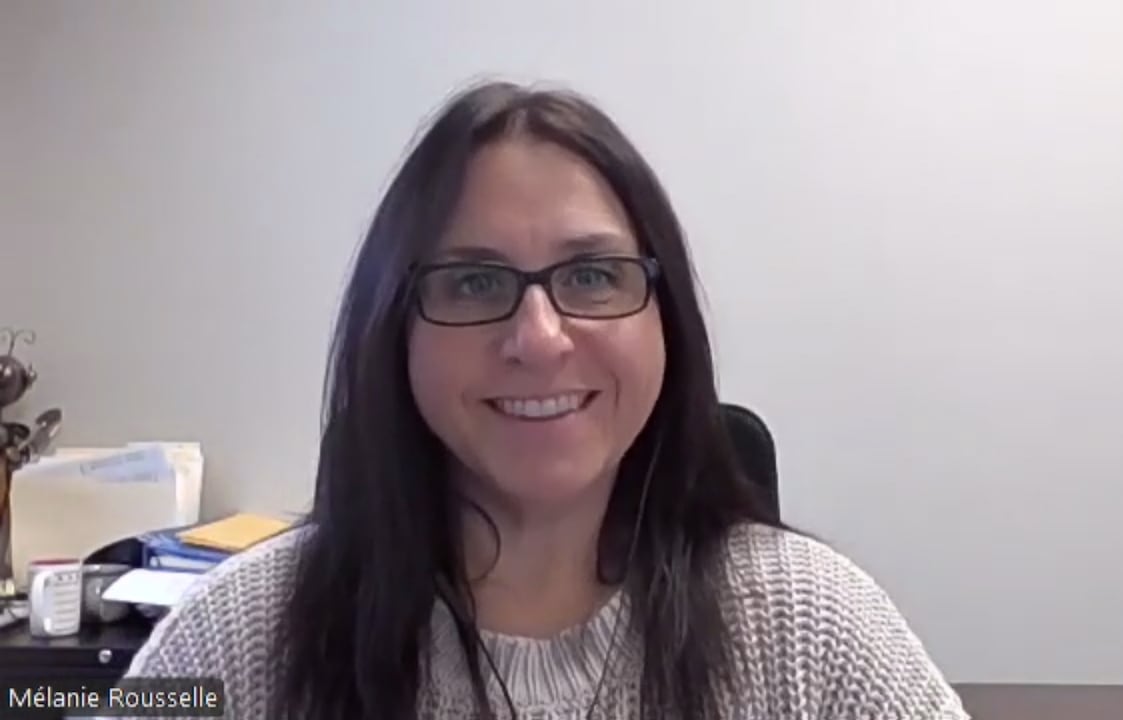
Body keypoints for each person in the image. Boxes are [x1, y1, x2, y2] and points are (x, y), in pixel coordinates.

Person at [121, 80, 969, 720]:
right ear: (395, 328)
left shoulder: (813, 627)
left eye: (592, 275)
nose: (540, 337)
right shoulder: (234, 637)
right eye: (475, 282)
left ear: (666, 318)